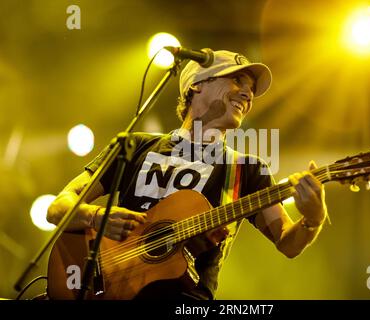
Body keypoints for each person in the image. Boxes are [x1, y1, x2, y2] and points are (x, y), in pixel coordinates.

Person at [47, 49, 328, 300]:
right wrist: (97, 218)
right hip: (105, 287)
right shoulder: (135, 145)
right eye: (237, 81)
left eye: (251, 88)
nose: (248, 94)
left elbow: (288, 243)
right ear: (196, 84)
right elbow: (57, 208)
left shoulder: (248, 169)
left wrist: (312, 220)